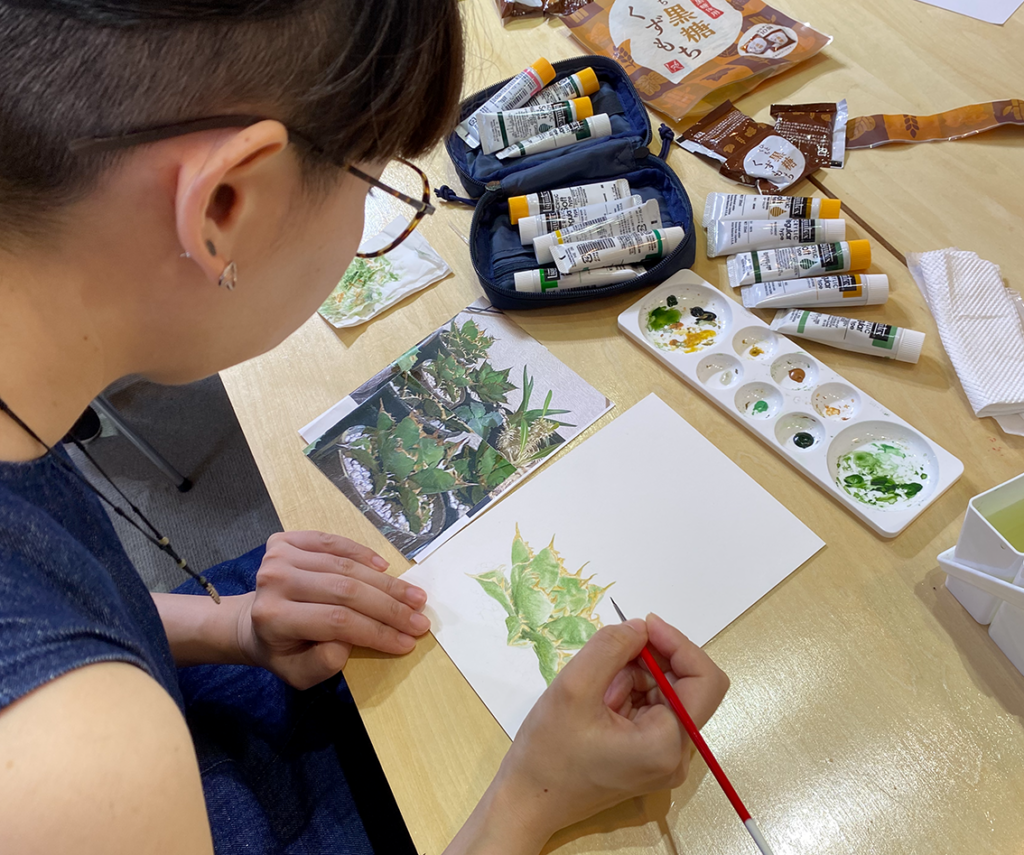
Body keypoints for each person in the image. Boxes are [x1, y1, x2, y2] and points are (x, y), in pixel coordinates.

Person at [0, 1, 729, 853]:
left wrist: (230, 626)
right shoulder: (73, 763)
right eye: (377, 182)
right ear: (225, 205)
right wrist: (532, 799)